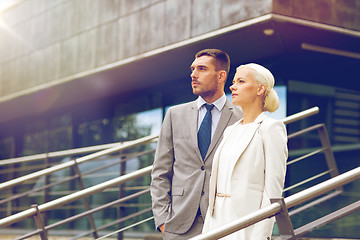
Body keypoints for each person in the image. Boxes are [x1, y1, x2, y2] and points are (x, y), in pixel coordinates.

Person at [150, 49, 243, 239]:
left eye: (202, 69)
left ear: (221, 75)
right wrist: (162, 220)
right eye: (193, 69)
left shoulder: (241, 117)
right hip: (178, 224)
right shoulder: (175, 115)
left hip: (225, 222)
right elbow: (160, 172)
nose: (193, 74)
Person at [202, 63, 288, 239]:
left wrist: (261, 235)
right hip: (216, 220)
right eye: (234, 81)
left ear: (260, 89)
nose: (233, 86)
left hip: (246, 223)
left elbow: (273, 190)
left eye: (241, 81)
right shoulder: (230, 130)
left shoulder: (271, 128)